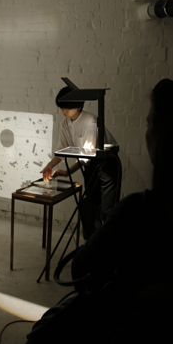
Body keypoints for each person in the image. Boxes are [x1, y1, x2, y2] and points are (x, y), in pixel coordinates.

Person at [70, 76, 173, 344]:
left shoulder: (141, 212)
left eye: (150, 123)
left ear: (169, 137)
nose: (145, 131)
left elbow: (80, 269)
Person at [40, 86, 121, 238]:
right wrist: (49, 166)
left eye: (67, 107)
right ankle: (92, 243)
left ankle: (108, 244)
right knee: (90, 205)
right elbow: (62, 149)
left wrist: (68, 171)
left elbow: (87, 156)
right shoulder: (65, 124)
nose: (63, 111)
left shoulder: (90, 122)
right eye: (61, 107)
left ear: (78, 106)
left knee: (107, 208)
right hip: (90, 165)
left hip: (107, 164)